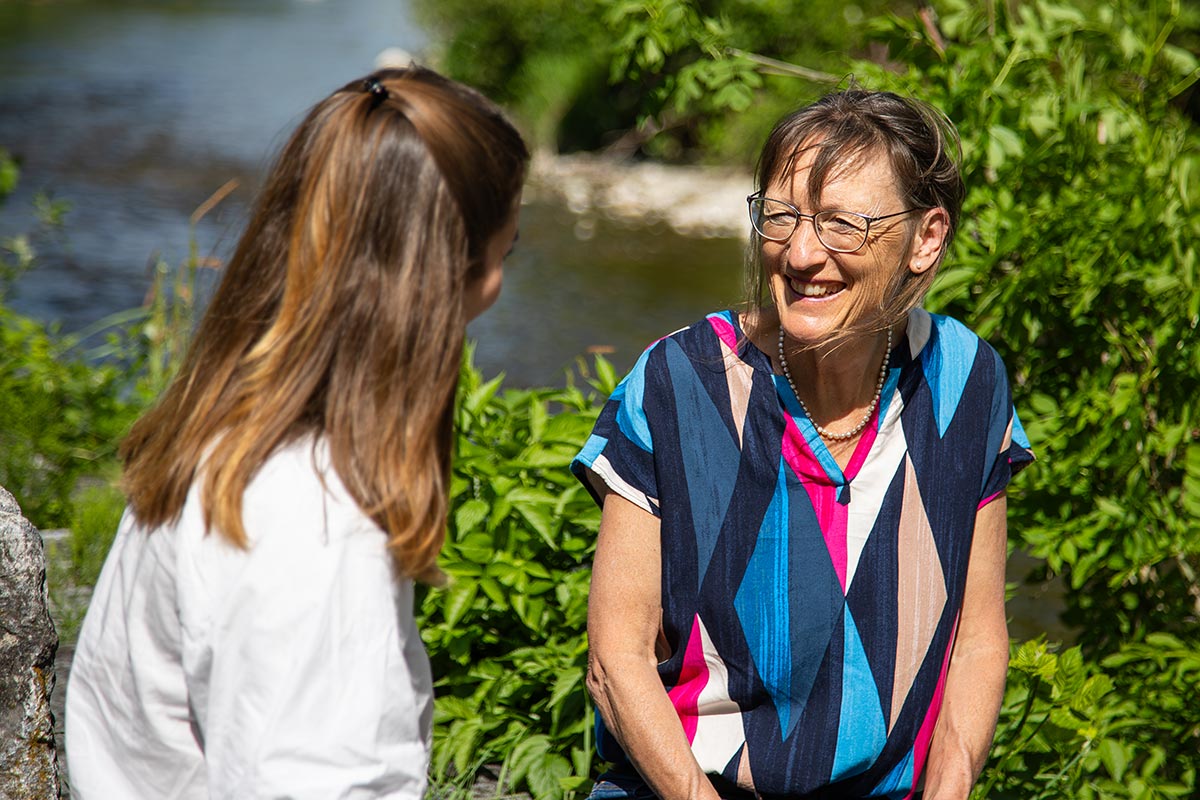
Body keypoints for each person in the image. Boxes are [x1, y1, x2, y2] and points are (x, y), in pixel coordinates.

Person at [65, 66, 528, 799]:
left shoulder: (223, 438)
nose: (500, 281)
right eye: (507, 250)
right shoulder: (315, 526)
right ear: (445, 276)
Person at [572, 89, 1033, 800]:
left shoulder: (967, 384)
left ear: (927, 237)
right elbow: (615, 659)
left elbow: (977, 639)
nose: (800, 253)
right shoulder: (678, 383)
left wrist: (949, 788)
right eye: (781, 216)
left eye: (843, 224)